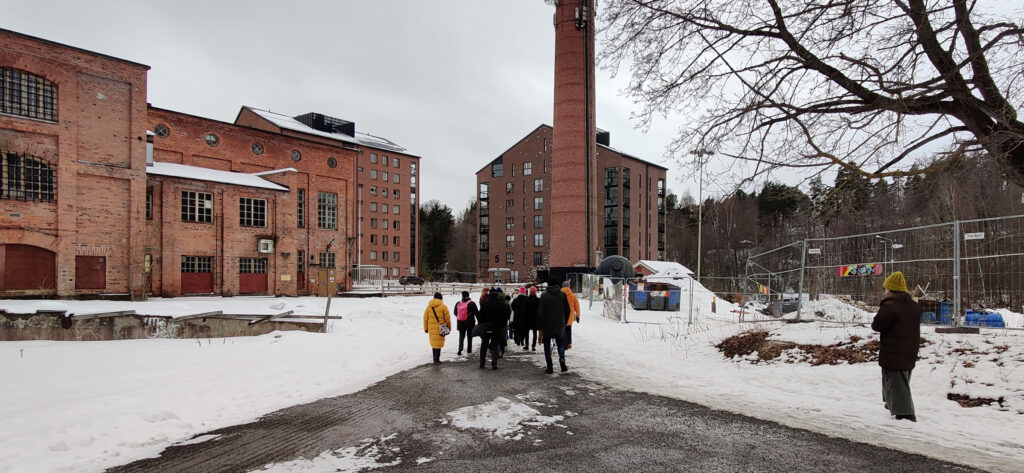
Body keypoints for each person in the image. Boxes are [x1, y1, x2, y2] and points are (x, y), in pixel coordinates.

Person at [871, 271, 921, 422]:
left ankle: (905, 413)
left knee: (894, 379)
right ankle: (892, 403)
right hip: (910, 348)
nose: (885, 291)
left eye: (886, 288)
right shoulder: (913, 305)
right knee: (901, 378)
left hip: (894, 349)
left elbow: (878, 325)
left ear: (890, 289)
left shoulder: (889, 305)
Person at [538, 277, 570, 373]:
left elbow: (541, 313)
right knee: (560, 343)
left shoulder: (544, 296)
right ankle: (562, 359)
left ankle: (550, 367)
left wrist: (540, 326)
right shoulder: (562, 295)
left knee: (547, 346)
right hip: (560, 324)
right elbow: (568, 310)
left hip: (547, 325)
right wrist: (564, 321)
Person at [478, 287, 511, 370]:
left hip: (486, 327)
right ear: (496, 295)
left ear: (489, 296)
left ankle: (482, 363)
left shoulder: (485, 305)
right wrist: (502, 324)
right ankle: (494, 363)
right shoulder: (502, 305)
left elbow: (480, 317)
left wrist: (481, 325)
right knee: (495, 345)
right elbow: (506, 316)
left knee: (484, 345)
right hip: (497, 327)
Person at [423, 292, 452, 364]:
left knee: (434, 343)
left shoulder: (428, 307)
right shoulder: (443, 307)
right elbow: (448, 319)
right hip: (440, 328)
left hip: (431, 328)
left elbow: (425, 318)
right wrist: (449, 327)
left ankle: (435, 359)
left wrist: (426, 328)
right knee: (438, 343)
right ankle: (437, 359)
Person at [453, 291, 478, 356]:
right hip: (470, 322)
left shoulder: (458, 303)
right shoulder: (472, 303)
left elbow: (455, 312)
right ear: (468, 296)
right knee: (469, 336)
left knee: (461, 336)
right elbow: (476, 313)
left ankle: (460, 349)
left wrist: (461, 317)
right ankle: (469, 350)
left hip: (460, 323)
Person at [561, 280, 581, 349]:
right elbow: (577, 306)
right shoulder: (573, 295)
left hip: (562, 316)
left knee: (563, 330)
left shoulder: (559, 294)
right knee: (569, 329)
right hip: (570, 316)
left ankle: (564, 343)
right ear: (569, 287)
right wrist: (578, 316)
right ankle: (569, 343)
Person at [526, 285, 541, 351]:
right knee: (535, 333)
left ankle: (526, 345)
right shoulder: (538, 300)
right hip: (536, 319)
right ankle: (533, 346)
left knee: (527, 332)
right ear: (535, 292)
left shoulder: (527, 300)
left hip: (528, 319)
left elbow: (524, 310)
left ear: (530, 292)